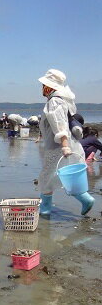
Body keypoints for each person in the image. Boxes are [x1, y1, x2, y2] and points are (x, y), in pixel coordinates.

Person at [37, 69, 94, 216]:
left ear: (50, 87)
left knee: (46, 178)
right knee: (70, 176)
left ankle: (45, 211)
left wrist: (64, 146)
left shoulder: (54, 101)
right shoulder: (63, 100)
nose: (42, 88)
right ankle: (85, 199)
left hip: (59, 147)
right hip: (68, 144)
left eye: (44, 85)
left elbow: (59, 125)